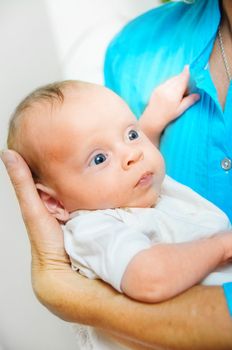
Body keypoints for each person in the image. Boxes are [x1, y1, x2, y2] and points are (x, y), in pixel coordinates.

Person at [1, 0, 232, 349]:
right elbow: (151, 279)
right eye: (98, 159)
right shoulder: (96, 230)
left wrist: (150, 123)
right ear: (53, 202)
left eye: (130, 134)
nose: (132, 156)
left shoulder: (128, 192)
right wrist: (221, 246)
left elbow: (137, 164)